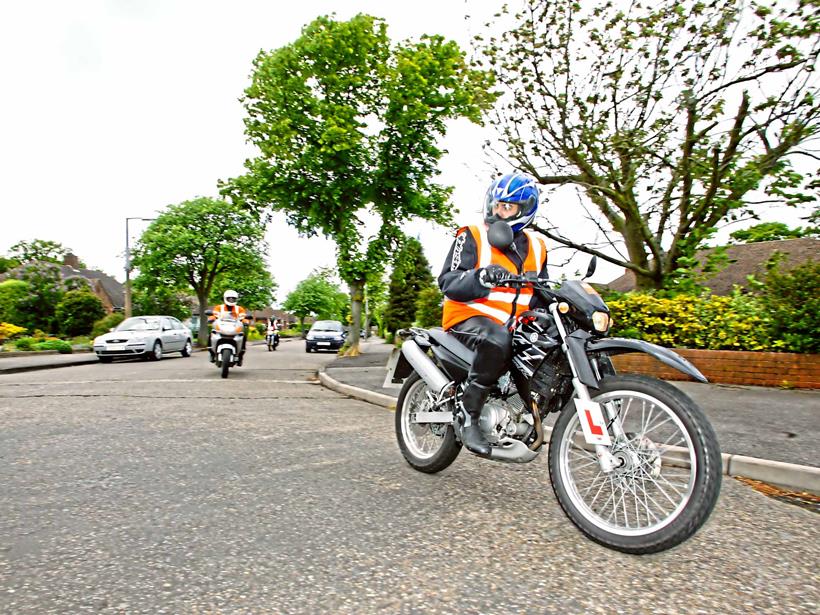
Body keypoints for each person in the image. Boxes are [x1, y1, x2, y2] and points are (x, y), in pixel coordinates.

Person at [438, 172, 549, 456]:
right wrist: (481, 276)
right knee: (498, 339)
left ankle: (528, 411)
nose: (498, 211)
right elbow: (448, 282)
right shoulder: (473, 235)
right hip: (467, 317)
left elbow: (540, 291)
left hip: (512, 324)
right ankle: (469, 414)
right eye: (497, 204)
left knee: (551, 341)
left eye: (507, 207)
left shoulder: (538, 246)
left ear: (525, 210)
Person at [207, 289, 250, 364]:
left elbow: (243, 317)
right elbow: (214, 315)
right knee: (210, 334)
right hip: (222, 327)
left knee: (243, 336)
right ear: (225, 298)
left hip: (234, 327)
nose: (231, 300)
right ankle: (212, 353)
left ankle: (240, 356)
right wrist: (211, 318)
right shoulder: (219, 307)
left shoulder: (239, 309)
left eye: (233, 299)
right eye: (229, 298)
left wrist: (245, 321)